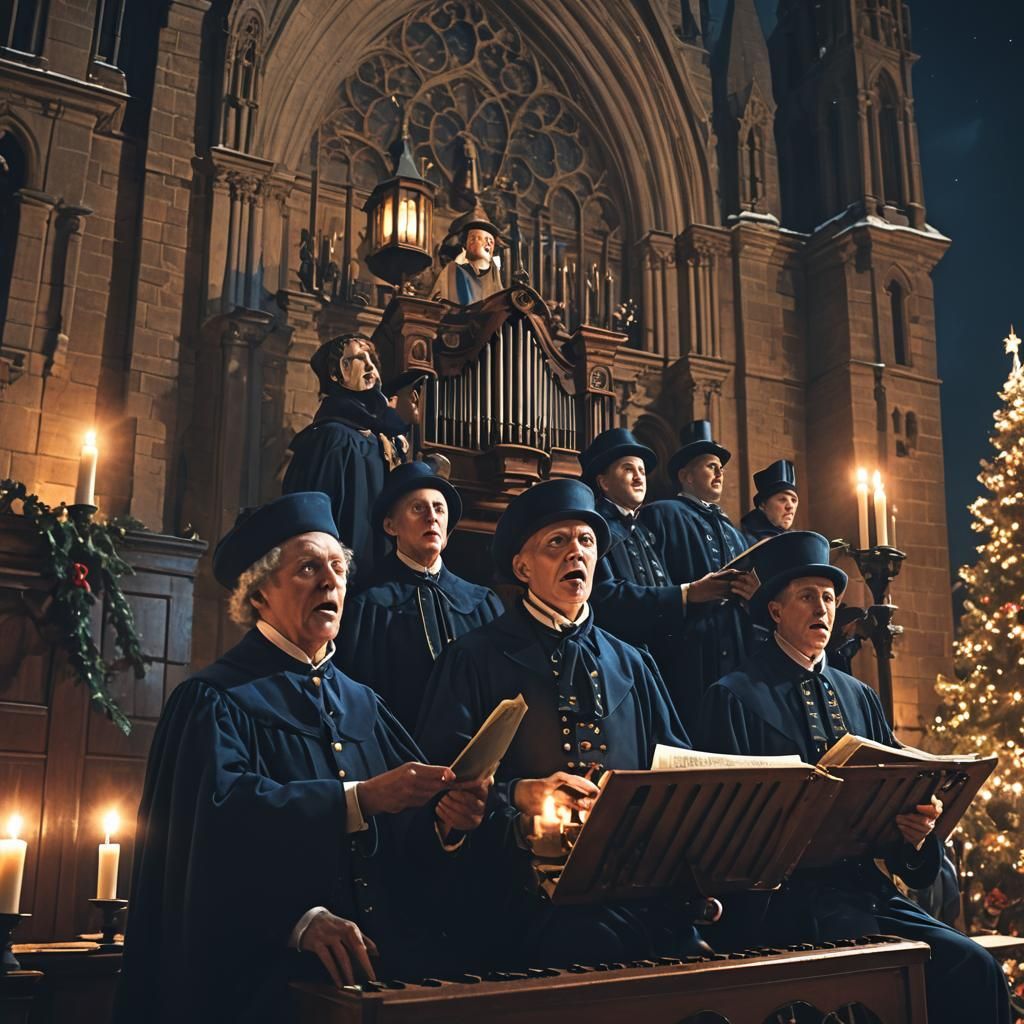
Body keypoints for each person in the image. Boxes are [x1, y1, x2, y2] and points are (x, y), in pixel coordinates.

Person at [115, 492, 489, 1024]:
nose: (331, 580)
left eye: (338, 566)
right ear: (259, 592)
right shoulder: (214, 701)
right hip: (265, 982)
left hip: (377, 982)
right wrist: (299, 921)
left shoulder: (366, 704)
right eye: (309, 567)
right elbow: (213, 836)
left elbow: (407, 841)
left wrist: (445, 825)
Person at [696, 530, 1009, 1024]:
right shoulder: (734, 695)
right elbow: (721, 829)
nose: (822, 608)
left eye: (828, 597)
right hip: (780, 901)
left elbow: (901, 836)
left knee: (974, 966)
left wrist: (917, 835)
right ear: (775, 610)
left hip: (863, 888)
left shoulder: (858, 695)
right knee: (874, 984)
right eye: (806, 597)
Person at [416, 479, 709, 970]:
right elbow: (444, 786)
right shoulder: (474, 658)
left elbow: (676, 769)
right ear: (523, 567)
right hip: (522, 895)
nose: (577, 552)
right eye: (558, 542)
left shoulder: (634, 662)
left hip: (636, 887)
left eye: (587, 542)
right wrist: (519, 795)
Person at [335, 461, 504, 733]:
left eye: (439, 509)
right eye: (418, 508)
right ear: (391, 526)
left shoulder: (483, 603)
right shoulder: (366, 608)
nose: (431, 517)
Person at [580, 428, 739, 678]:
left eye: (642, 471)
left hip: (659, 661)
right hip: (620, 663)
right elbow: (606, 598)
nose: (639, 478)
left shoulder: (640, 530)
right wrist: (689, 593)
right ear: (604, 482)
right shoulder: (596, 530)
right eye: (628, 469)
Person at [640, 420, 758, 728]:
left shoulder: (733, 530)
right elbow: (653, 584)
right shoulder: (662, 514)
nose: (720, 473)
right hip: (688, 650)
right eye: (710, 466)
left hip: (736, 652)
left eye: (721, 467)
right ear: (686, 475)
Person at [283, 334, 410, 582]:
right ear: (335, 374)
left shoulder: (384, 437)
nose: (371, 366)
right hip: (345, 579)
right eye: (359, 359)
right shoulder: (331, 438)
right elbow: (315, 520)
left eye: (372, 359)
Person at [431, 205, 504, 305]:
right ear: (469, 242)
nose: (488, 243)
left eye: (491, 241)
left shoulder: (494, 275)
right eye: (481, 238)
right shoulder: (454, 270)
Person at [740, 459, 799, 542]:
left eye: (794, 500)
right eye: (782, 499)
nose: (790, 506)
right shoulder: (742, 540)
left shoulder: (796, 540)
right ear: (763, 504)